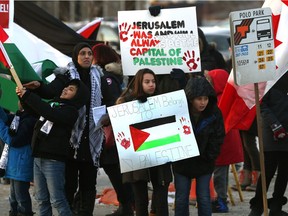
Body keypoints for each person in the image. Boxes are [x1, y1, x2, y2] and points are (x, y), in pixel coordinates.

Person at [23, 42, 113, 216]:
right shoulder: (66, 75)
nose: (87, 57)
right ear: (75, 56)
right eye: (82, 54)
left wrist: (107, 115)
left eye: (89, 54)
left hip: (92, 137)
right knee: (68, 183)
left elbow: (109, 99)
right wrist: (39, 87)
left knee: (88, 182)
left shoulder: (98, 76)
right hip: (70, 139)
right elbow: (50, 92)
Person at [16, 79, 89, 216]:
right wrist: (23, 94)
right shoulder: (54, 104)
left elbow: (48, 112)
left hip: (53, 161)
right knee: (42, 199)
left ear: (77, 97)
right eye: (66, 87)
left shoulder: (71, 111)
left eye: (71, 89)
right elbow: (33, 109)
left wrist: (29, 95)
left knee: (57, 200)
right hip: (38, 156)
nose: (65, 89)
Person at [116, 68, 173, 216]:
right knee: (140, 199)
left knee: (161, 197)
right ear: (139, 83)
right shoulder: (127, 103)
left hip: (160, 157)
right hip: (137, 158)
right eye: (147, 81)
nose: (151, 84)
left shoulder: (163, 101)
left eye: (153, 81)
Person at [172, 76, 225, 216]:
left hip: (204, 163)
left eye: (206, 99)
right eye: (199, 99)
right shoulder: (179, 111)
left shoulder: (214, 113)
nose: (203, 102)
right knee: (182, 198)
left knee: (204, 198)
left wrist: (209, 156)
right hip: (182, 162)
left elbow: (219, 136)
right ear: (190, 99)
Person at [92, 43, 134, 216]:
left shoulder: (106, 78)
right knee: (117, 170)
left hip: (112, 131)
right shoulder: (114, 76)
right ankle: (126, 206)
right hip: (119, 131)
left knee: (115, 170)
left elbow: (112, 102)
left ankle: (126, 207)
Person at [248, 72, 288, 216]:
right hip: (272, 132)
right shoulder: (270, 77)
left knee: (284, 172)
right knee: (268, 171)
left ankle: (276, 205)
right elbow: (261, 104)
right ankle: (258, 206)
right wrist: (275, 125)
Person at [206, 69, 243, 213]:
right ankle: (221, 200)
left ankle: (220, 201)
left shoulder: (219, 100)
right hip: (226, 144)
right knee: (222, 173)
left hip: (222, 144)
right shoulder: (224, 97)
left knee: (220, 175)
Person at [0, 103, 37, 216]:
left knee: (21, 197)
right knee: (13, 198)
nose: (18, 102)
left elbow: (13, 140)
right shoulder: (19, 116)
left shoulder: (29, 120)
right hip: (14, 165)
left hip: (21, 165)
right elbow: (5, 118)